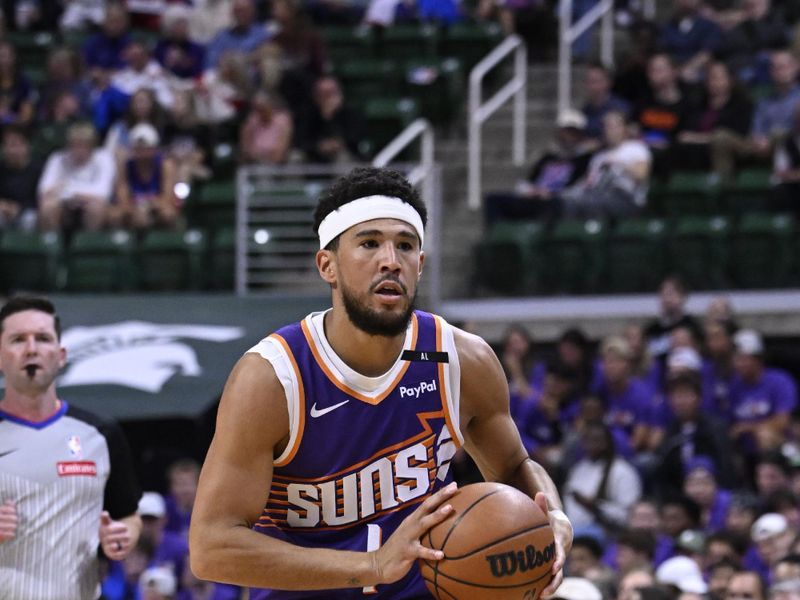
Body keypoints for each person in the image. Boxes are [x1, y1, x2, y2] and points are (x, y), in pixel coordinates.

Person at [189, 166, 573, 598]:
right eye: (369, 243)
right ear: (327, 265)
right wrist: (372, 565)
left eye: (405, 246)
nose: (391, 260)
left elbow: (514, 468)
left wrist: (553, 516)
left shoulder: (462, 360)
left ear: (420, 264)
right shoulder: (272, 378)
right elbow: (211, 547)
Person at [0, 295, 142, 599]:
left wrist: (123, 535)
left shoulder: (101, 434)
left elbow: (128, 515)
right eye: (17, 340)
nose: (31, 348)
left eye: (42, 338)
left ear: (61, 354)